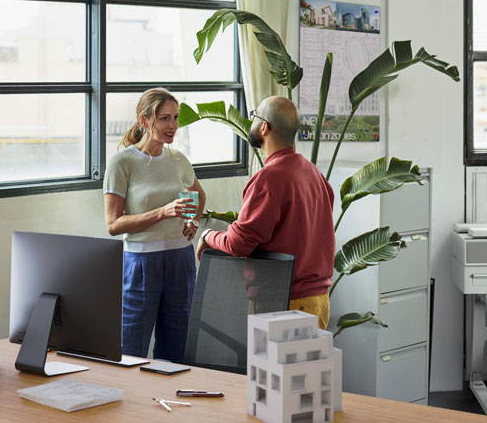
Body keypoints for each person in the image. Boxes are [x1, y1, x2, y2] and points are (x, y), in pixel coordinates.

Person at [197, 96, 335, 330]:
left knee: (271, 368)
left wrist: (207, 236)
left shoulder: (269, 178)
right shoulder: (311, 172)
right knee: (305, 369)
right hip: (317, 301)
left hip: (284, 303)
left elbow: (239, 243)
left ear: (264, 126)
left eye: (255, 116)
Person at [103, 87, 206, 362]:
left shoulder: (178, 159)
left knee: (177, 348)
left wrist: (193, 220)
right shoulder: (122, 162)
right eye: (164, 118)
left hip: (181, 260)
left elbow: (200, 196)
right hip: (141, 263)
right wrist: (163, 212)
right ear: (144, 120)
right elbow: (113, 224)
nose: (172, 125)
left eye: (175, 117)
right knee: (131, 347)